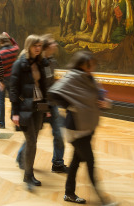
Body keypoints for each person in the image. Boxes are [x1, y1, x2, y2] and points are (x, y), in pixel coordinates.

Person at [47, 51, 116, 205]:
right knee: (90, 162)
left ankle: (69, 193)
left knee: (76, 161)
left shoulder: (89, 78)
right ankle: (103, 200)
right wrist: (72, 106)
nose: (93, 66)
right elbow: (53, 93)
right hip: (76, 128)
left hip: (88, 126)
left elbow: (97, 98)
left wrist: (105, 103)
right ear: (82, 64)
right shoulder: (72, 77)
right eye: (90, 63)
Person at [16, 34, 67, 173]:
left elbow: (49, 83)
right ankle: (22, 158)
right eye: (52, 43)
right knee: (33, 136)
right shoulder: (34, 62)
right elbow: (19, 88)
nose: (55, 45)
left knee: (58, 134)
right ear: (46, 47)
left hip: (51, 104)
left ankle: (58, 163)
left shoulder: (52, 62)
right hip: (38, 105)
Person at [10, 35, 47, 190]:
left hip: (39, 106)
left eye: (40, 46)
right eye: (35, 45)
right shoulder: (19, 64)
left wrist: (47, 108)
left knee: (33, 141)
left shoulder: (40, 63)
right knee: (31, 141)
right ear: (28, 46)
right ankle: (28, 175)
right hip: (24, 108)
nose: (38, 48)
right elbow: (13, 89)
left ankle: (27, 169)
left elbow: (44, 87)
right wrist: (15, 112)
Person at [0, 32, 19, 129]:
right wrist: (10, 38)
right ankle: (16, 122)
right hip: (13, 79)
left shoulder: (0, 54)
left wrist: (0, 81)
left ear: (0, 42)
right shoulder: (14, 50)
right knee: (14, 100)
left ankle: (1, 123)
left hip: (3, 80)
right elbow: (16, 45)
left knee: (1, 101)